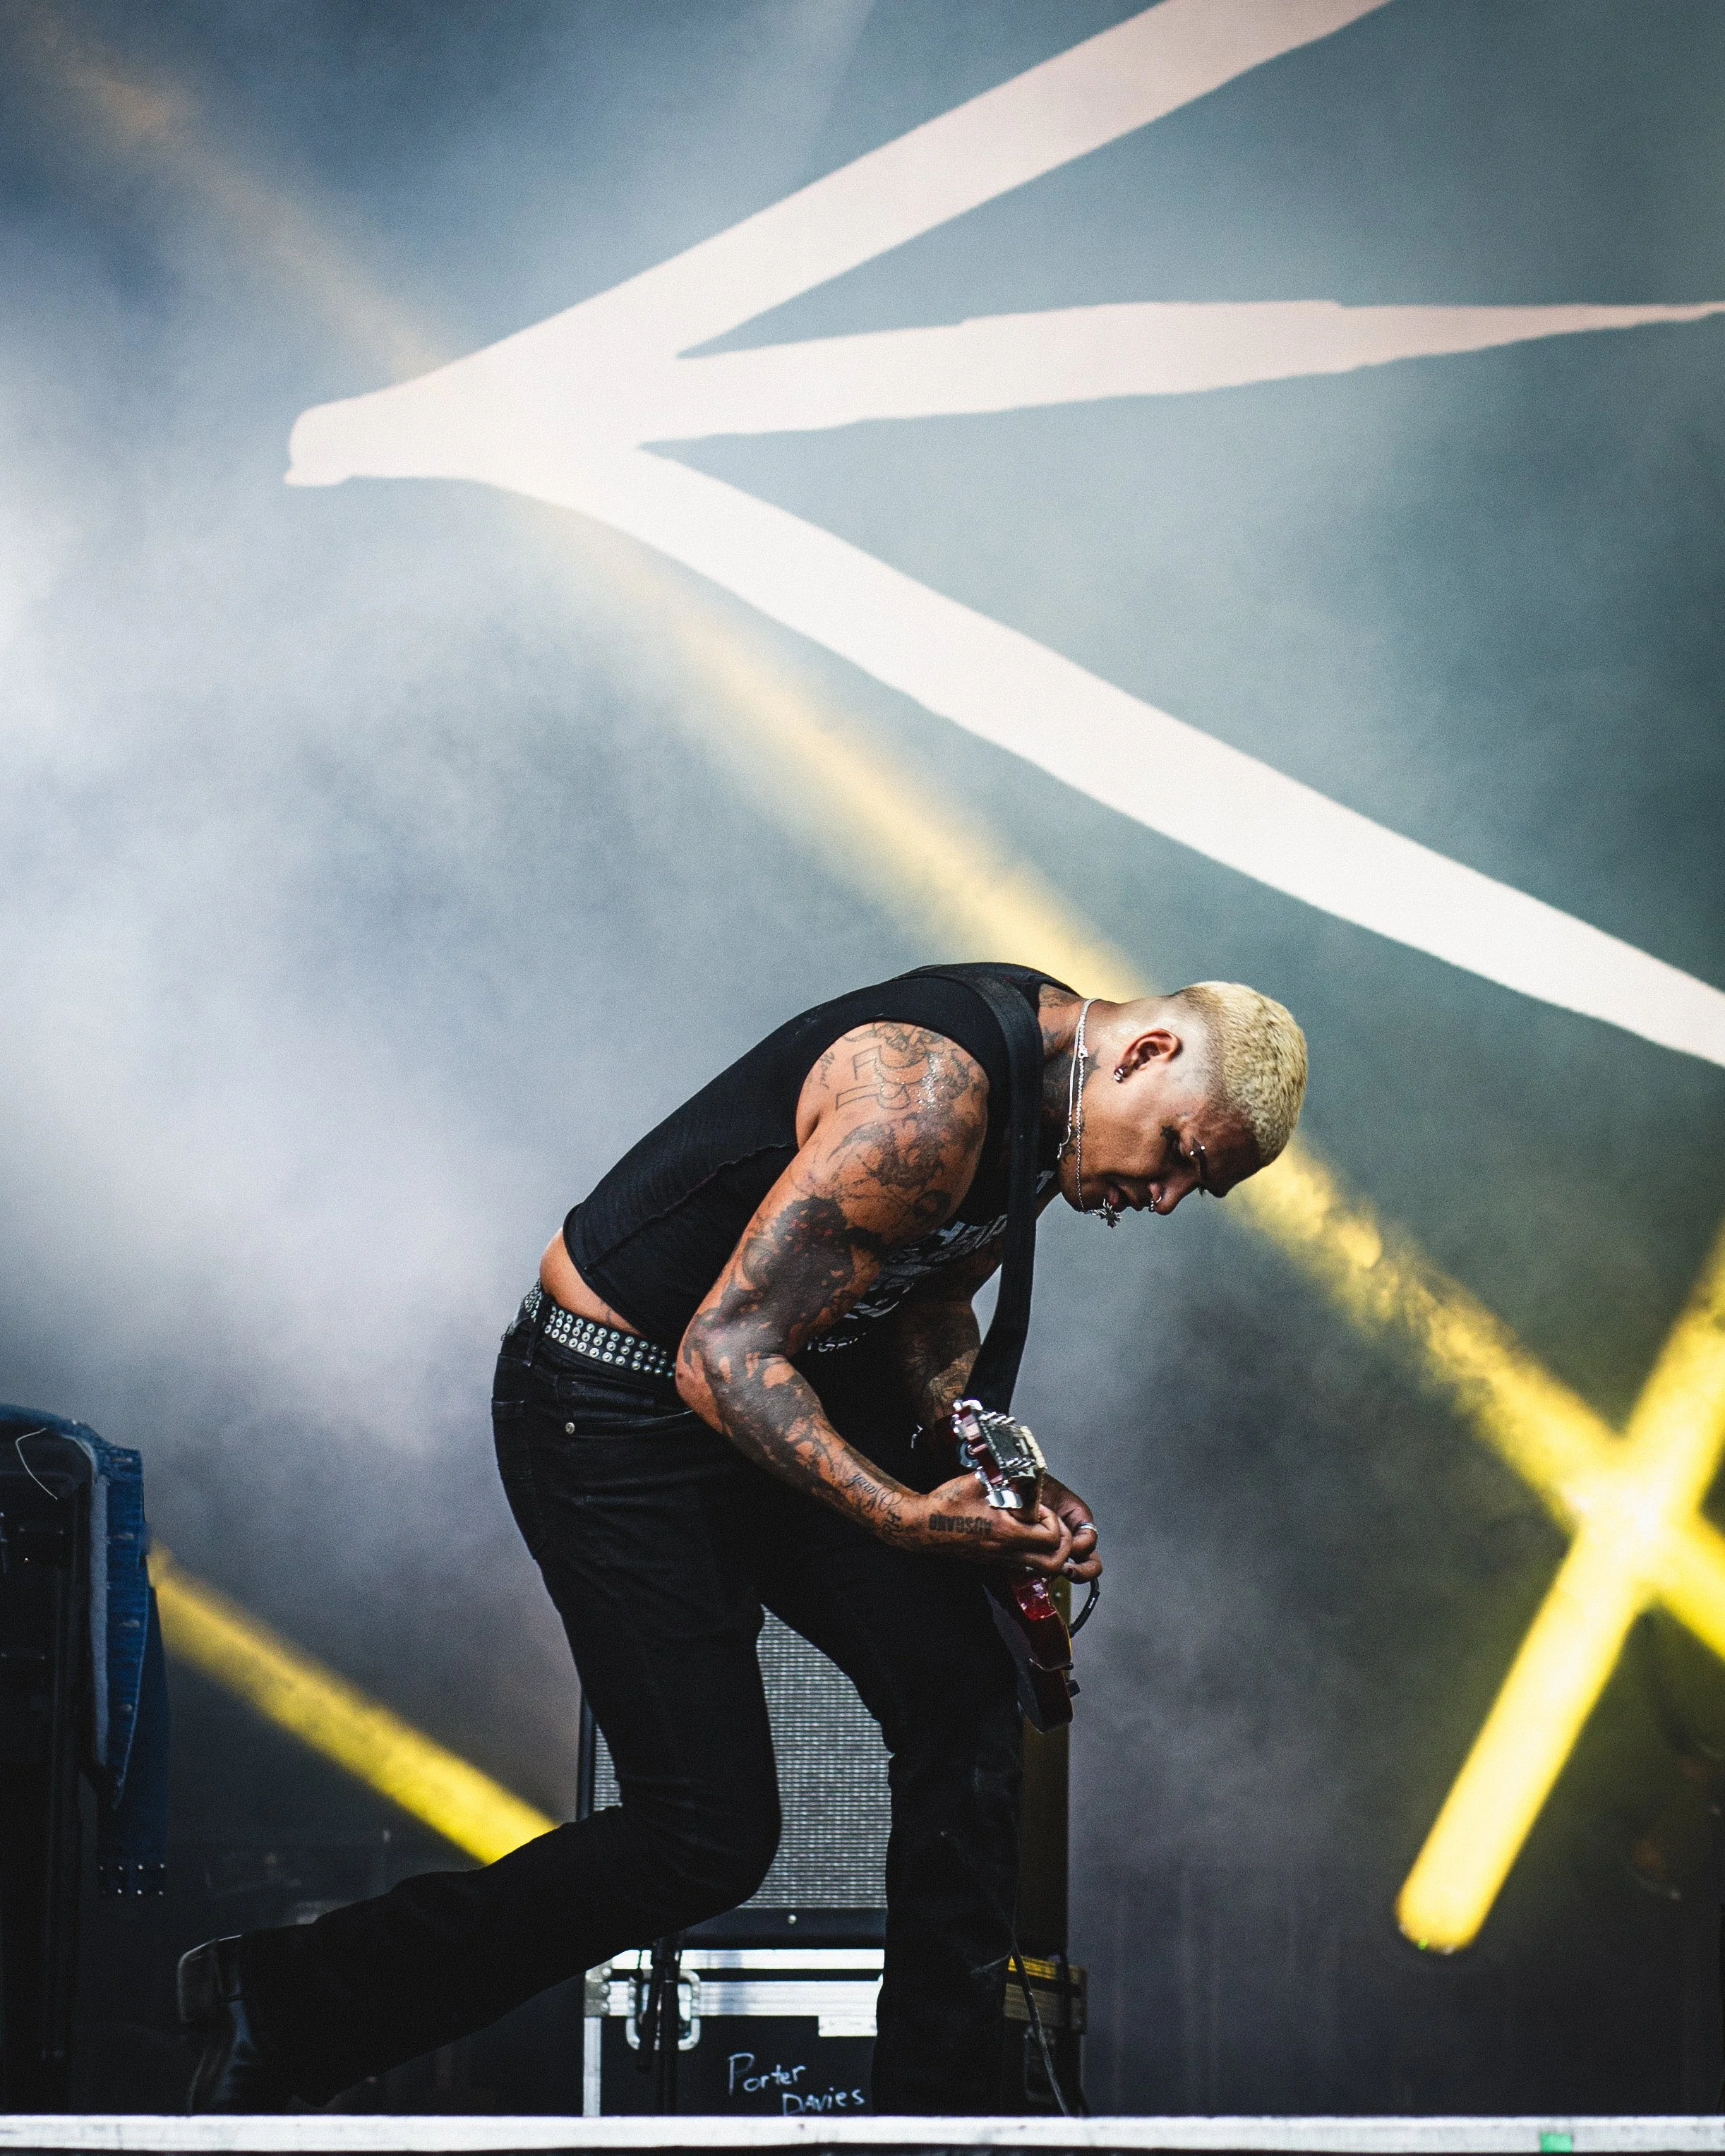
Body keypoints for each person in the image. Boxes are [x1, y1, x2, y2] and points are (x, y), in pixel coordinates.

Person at [178, 961, 1306, 2114]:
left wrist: (1002, 1464)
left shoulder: (1053, 1106)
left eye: (1193, 1187)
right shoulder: (930, 1096)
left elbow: (922, 1299)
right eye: (1179, 1155)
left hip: (764, 1389)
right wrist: (909, 1516)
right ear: (1149, 1053)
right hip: (612, 1405)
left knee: (965, 1695)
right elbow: (718, 1354)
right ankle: (290, 1998)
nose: (1163, 1197)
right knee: (705, 1834)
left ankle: (934, 2117)